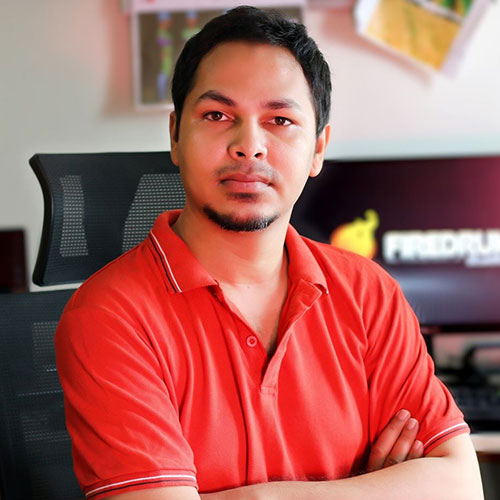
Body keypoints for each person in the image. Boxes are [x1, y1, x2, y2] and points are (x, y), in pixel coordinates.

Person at [55, 6, 484, 500]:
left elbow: (460, 485)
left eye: (280, 119)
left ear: (318, 148)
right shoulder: (110, 315)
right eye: (218, 115)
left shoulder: (368, 292)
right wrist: (372, 489)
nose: (249, 146)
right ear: (175, 135)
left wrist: (265, 496)